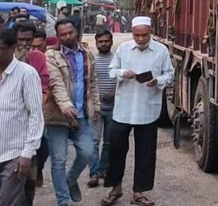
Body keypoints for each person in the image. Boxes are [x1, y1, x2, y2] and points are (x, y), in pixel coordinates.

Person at [102, 17, 174, 206]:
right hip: (123, 110)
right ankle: (115, 188)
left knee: (146, 153)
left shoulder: (161, 50)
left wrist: (157, 81)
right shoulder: (124, 48)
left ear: (150, 32)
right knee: (117, 150)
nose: (141, 39)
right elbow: (112, 70)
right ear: (132, 33)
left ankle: (139, 192)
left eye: (144, 35)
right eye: (137, 35)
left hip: (147, 110)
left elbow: (170, 74)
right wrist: (122, 73)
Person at [44, 18, 100, 206]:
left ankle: (71, 179)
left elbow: (92, 83)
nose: (67, 37)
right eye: (62, 34)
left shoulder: (87, 55)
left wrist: (96, 107)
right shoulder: (51, 56)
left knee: (87, 152)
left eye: (70, 33)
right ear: (58, 36)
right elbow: (56, 83)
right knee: (58, 160)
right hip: (57, 117)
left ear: (76, 31)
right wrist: (66, 105)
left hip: (81, 115)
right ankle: (63, 201)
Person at [0, 27, 44, 206]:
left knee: (8, 201)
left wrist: (27, 154)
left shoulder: (27, 74)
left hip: (14, 154)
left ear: (12, 48)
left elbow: (35, 115)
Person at [13, 22, 51, 203]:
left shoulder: (38, 58)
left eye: (29, 40)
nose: (25, 44)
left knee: (42, 148)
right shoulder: (6, 56)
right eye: (21, 40)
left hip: (33, 117)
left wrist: (40, 97)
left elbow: (45, 83)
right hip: (10, 122)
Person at [87, 30, 116, 188]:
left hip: (113, 108)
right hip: (96, 108)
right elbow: (88, 83)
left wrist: (114, 92)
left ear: (111, 42)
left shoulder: (117, 60)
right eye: (101, 41)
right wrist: (94, 102)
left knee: (109, 142)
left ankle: (104, 169)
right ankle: (94, 173)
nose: (104, 44)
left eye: (106, 41)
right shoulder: (92, 60)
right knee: (94, 141)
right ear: (96, 42)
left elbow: (122, 80)